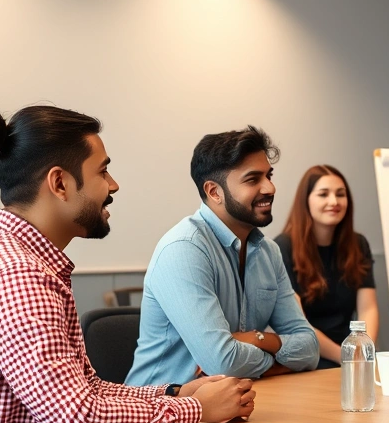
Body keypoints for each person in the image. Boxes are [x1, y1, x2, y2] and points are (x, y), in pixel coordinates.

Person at [0, 106, 263, 423]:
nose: (113, 185)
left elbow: (83, 392)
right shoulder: (18, 278)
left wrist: (174, 393)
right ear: (60, 183)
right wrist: (198, 409)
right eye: (102, 171)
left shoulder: (13, 259)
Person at [127, 126, 319, 387]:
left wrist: (257, 339)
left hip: (233, 403)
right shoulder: (184, 249)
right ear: (214, 192)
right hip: (162, 413)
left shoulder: (269, 252)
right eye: (253, 180)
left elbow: (309, 349)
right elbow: (223, 361)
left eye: (269, 175)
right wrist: (277, 363)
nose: (270, 187)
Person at [274, 165, 378, 369]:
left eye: (341, 194)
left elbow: (369, 308)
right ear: (306, 201)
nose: (334, 202)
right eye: (323, 194)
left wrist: (365, 351)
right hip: (308, 359)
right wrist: (346, 357)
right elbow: (299, 324)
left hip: (353, 356)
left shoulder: (358, 245)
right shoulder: (283, 247)